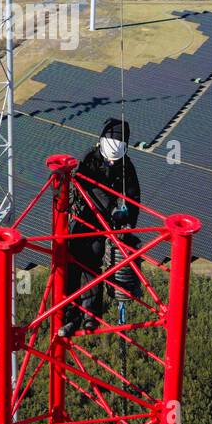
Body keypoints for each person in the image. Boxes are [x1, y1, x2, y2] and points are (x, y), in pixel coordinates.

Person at [58, 116, 141, 340]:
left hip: (106, 224)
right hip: (86, 218)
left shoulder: (125, 166)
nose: (112, 163)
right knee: (75, 265)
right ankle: (70, 314)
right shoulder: (89, 161)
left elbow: (133, 197)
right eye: (109, 159)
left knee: (92, 265)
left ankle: (89, 315)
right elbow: (89, 186)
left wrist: (127, 224)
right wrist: (112, 207)